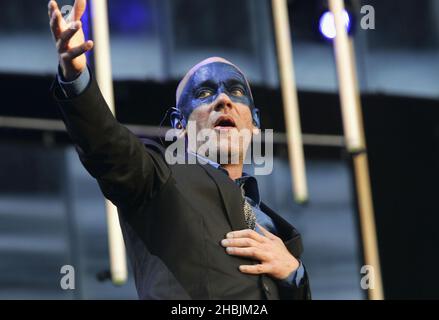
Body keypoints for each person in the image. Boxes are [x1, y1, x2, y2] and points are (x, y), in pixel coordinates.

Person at [48, 0, 311, 299]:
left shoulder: (275, 230)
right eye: (204, 93)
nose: (223, 100)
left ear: (255, 122)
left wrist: (294, 273)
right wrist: (75, 75)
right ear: (179, 124)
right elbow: (108, 147)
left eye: (235, 91)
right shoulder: (157, 180)